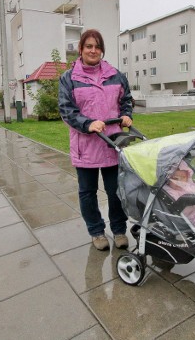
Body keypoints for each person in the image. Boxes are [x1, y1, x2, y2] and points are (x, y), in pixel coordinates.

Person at [58, 29, 134, 251]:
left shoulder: (116, 75)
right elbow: (66, 109)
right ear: (80, 49)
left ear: (102, 50)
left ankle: (119, 230)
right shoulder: (69, 78)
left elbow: (126, 100)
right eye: (89, 46)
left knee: (116, 191)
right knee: (87, 192)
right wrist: (87, 123)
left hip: (112, 144)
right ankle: (97, 231)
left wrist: (127, 114)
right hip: (86, 146)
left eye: (97, 46)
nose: (93, 50)